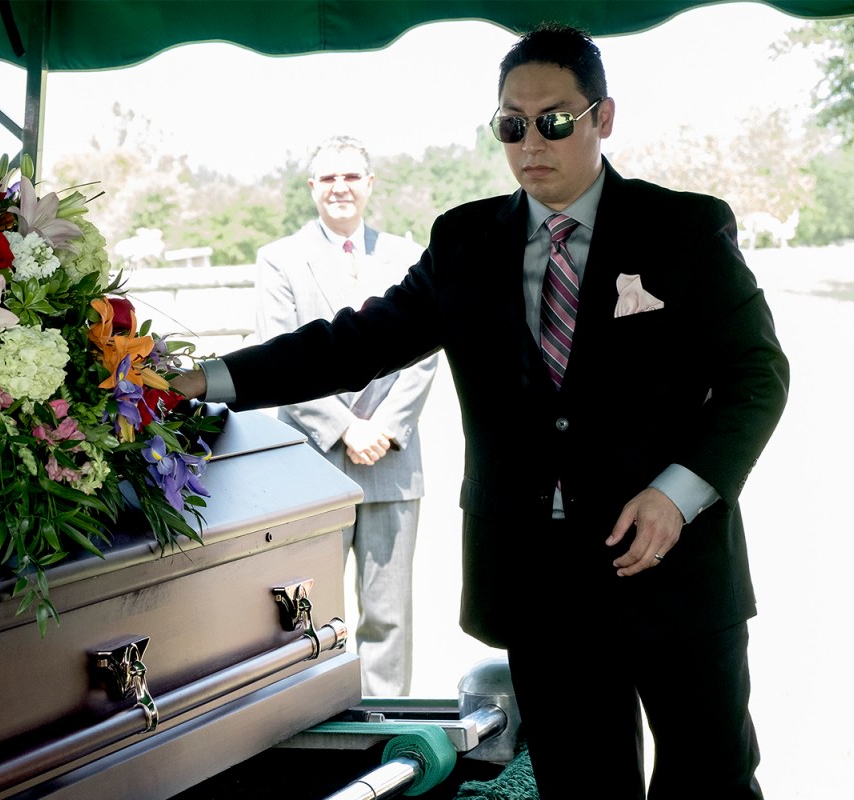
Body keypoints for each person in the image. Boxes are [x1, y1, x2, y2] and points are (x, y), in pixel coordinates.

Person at [171, 23, 788, 798]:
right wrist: (206, 380)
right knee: (582, 788)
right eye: (512, 125)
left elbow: (757, 378)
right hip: (540, 586)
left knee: (712, 781)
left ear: (604, 117)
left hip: (674, 568)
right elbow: (350, 344)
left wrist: (680, 491)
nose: (533, 142)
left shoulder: (686, 229)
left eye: (555, 120)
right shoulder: (465, 243)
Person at [253, 135, 437, 696]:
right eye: (328, 178)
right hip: (313, 463)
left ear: (370, 184)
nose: (340, 188)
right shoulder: (279, 259)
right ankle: (314, 719)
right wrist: (344, 427)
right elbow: (277, 356)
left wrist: (383, 428)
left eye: (352, 177)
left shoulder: (408, 255)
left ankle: (387, 734)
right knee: (306, 615)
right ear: (312, 187)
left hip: (391, 460)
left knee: (388, 617)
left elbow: (426, 353)